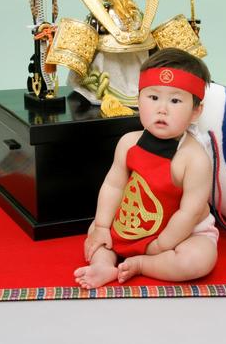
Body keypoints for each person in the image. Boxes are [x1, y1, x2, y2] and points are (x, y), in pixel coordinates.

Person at [74, 47, 218, 289]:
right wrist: (102, 226)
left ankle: (142, 264)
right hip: (132, 223)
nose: (162, 109)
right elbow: (114, 185)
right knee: (96, 231)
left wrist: (160, 246)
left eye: (175, 100)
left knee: (198, 260)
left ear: (196, 111)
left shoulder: (195, 159)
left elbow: (189, 213)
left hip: (181, 234)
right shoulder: (128, 142)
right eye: (153, 98)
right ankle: (104, 264)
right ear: (138, 100)